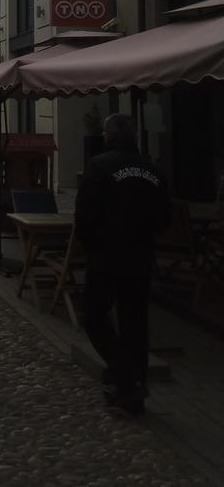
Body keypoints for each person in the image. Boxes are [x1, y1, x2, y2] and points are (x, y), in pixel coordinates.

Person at [75, 113, 171, 415]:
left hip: (106, 257)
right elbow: (164, 218)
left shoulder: (99, 166)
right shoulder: (154, 170)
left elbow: (85, 216)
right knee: (135, 323)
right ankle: (135, 391)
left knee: (93, 315)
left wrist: (88, 248)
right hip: (141, 258)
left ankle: (127, 379)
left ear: (108, 136)